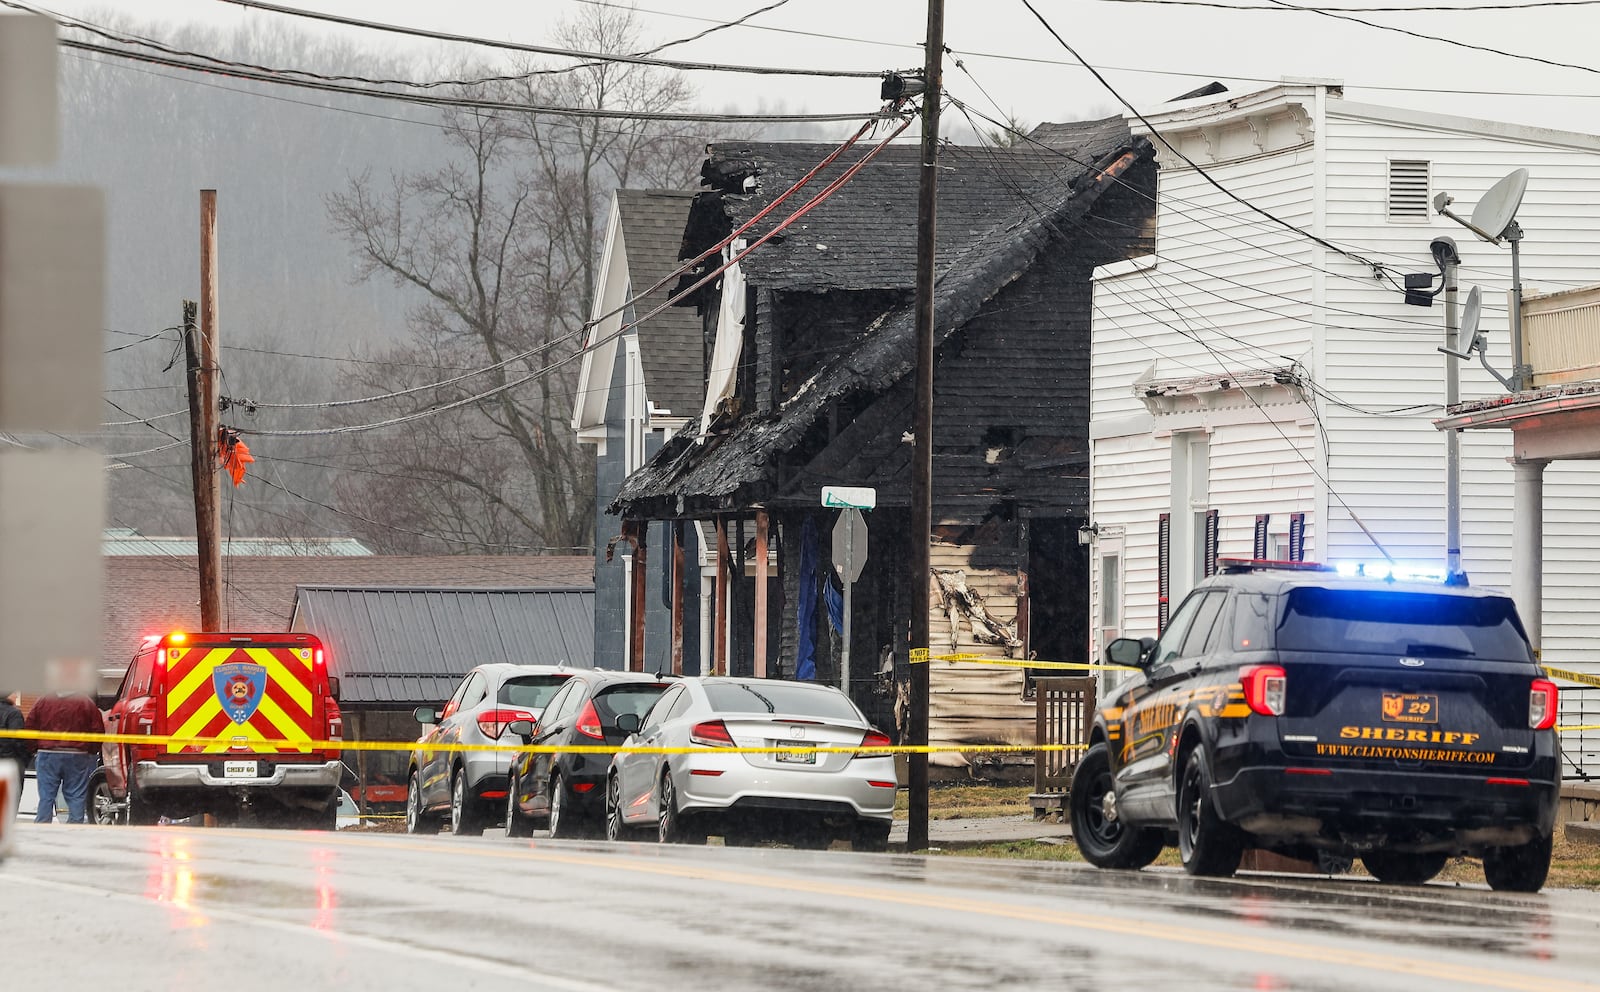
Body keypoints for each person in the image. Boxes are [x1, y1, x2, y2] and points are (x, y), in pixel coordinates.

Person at [25, 681, 104, 824]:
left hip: (47, 752)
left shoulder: (43, 701)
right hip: (77, 753)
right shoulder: (85, 702)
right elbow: (98, 729)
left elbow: (30, 725)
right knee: (76, 795)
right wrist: (91, 750)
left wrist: (34, 749)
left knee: (46, 795)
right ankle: (75, 826)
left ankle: (42, 826)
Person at [0, 690, 25, 771]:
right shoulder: (14, 713)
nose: (17, 696)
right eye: (15, 694)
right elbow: (17, 738)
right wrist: (24, 756)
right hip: (8, 759)